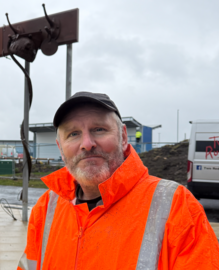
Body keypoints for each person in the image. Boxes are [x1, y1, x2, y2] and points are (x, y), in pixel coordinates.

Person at [18, 91, 219, 270]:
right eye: (73, 134)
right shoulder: (46, 208)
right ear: (60, 148)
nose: (87, 144)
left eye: (99, 129)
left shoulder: (177, 207)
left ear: (123, 137)